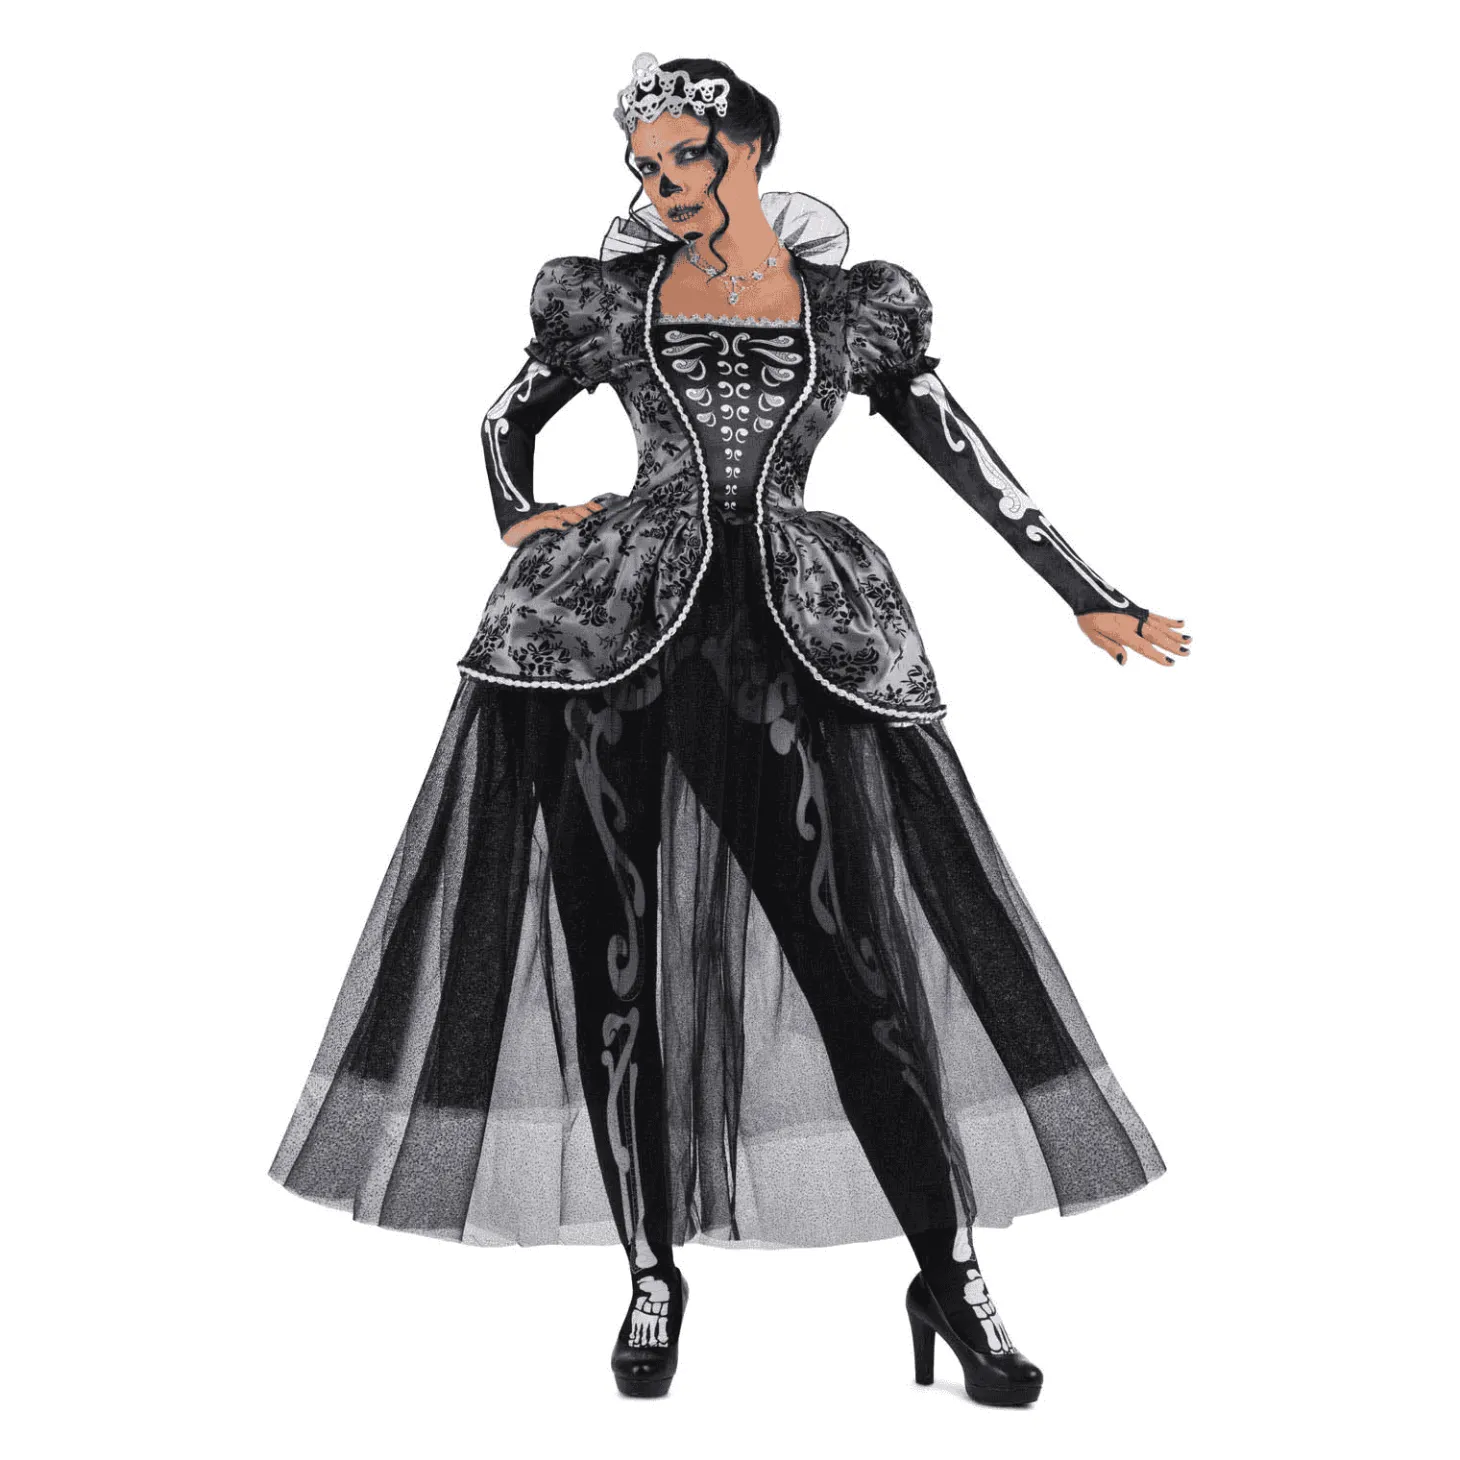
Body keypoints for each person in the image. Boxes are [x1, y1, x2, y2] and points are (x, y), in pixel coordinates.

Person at [269, 52, 1185, 1406]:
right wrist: (518, 513)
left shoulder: (852, 309)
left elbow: (965, 449)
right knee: (615, 962)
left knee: (859, 973)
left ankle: (950, 1273)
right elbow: (504, 416)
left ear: (749, 151)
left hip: (782, 644)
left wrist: (1086, 593)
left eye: (683, 161)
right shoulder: (610, 297)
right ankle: (651, 1272)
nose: (661, 186)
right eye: (643, 169)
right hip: (604, 639)